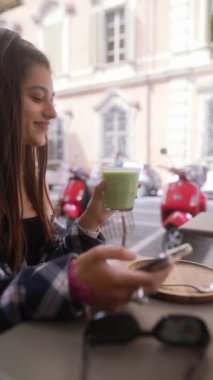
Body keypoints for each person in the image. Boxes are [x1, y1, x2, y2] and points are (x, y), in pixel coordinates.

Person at [0, 28, 171, 332]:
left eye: (52, 98)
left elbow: (43, 263)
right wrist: (73, 282)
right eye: (37, 97)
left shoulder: (29, 178)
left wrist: (91, 220)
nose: (52, 112)